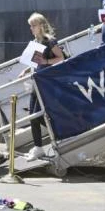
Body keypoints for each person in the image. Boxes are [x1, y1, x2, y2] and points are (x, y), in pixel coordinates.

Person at [19, 12, 64, 161]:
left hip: (45, 83)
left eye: (33, 25)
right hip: (36, 82)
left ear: (41, 26)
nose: (31, 28)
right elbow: (34, 61)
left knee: (38, 115)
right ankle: (38, 147)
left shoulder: (49, 41)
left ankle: (59, 136)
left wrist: (45, 62)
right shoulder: (35, 41)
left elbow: (61, 58)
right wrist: (25, 70)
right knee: (32, 116)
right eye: (30, 26)